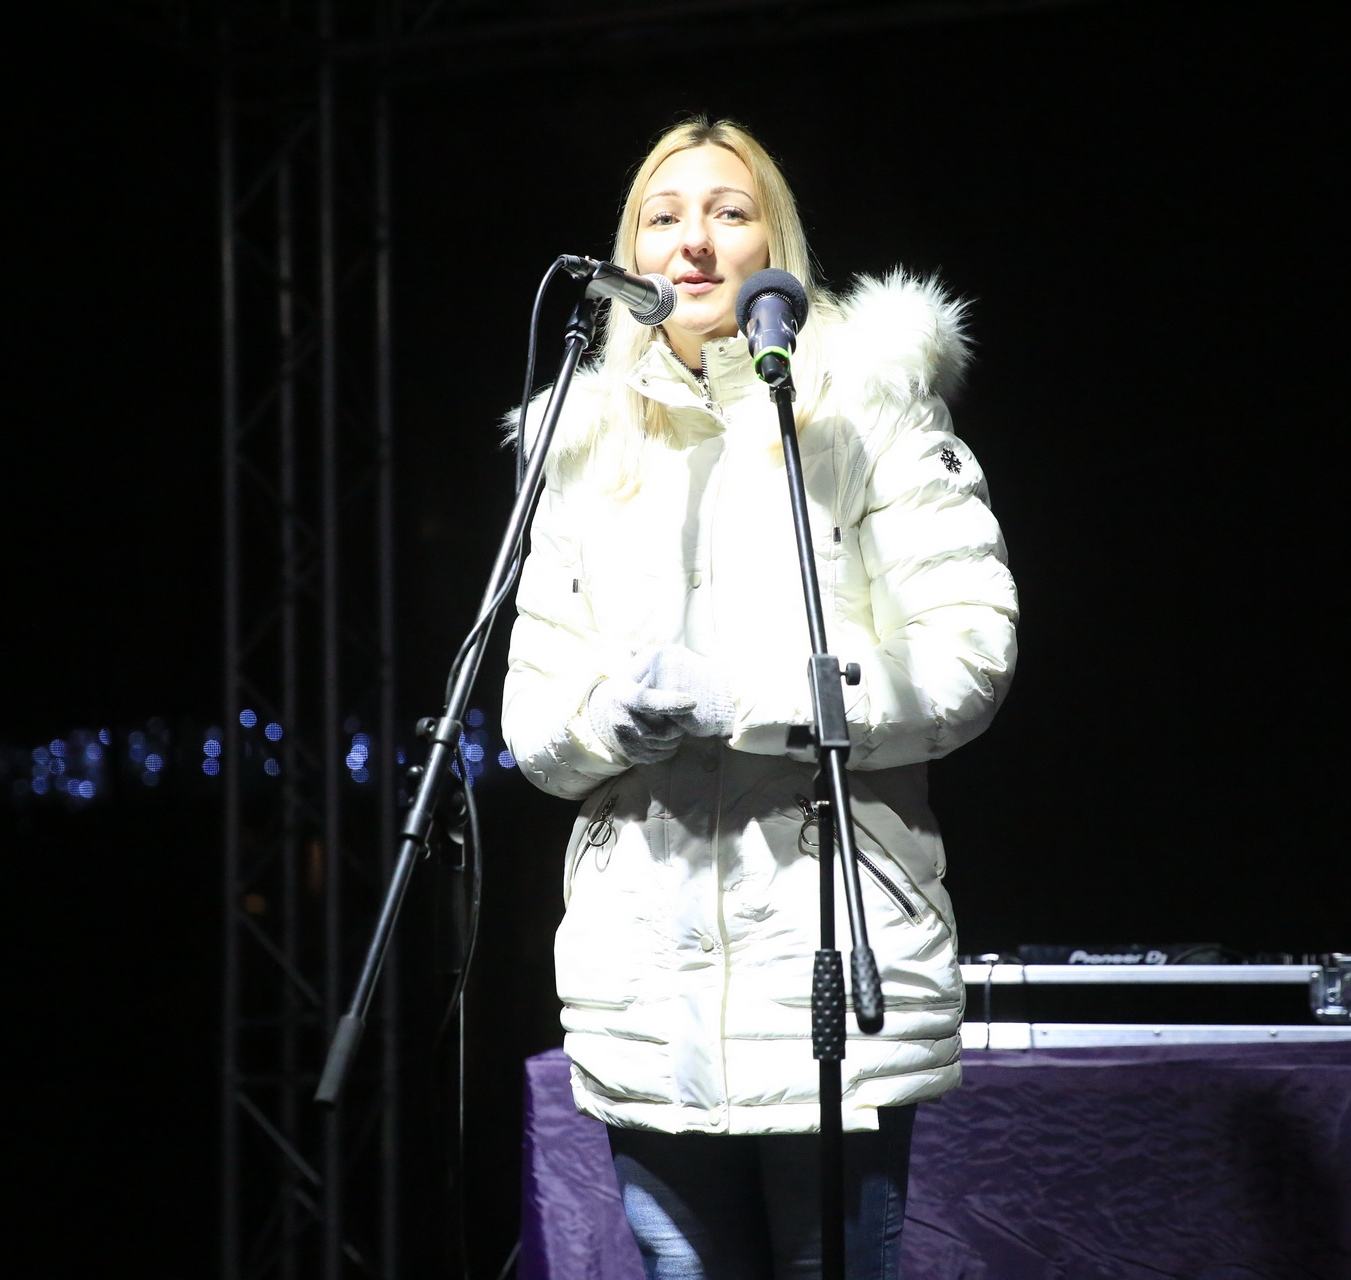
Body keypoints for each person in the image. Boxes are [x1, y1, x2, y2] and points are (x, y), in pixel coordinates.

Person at [502, 117, 1019, 1280]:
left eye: (727, 212)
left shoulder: (868, 408)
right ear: (630, 254)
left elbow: (968, 656)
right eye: (663, 216)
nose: (693, 240)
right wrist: (613, 720)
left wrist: (752, 697)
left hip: (827, 961)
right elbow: (532, 724)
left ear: (773, 242)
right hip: (645, 989)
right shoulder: (580, 448)